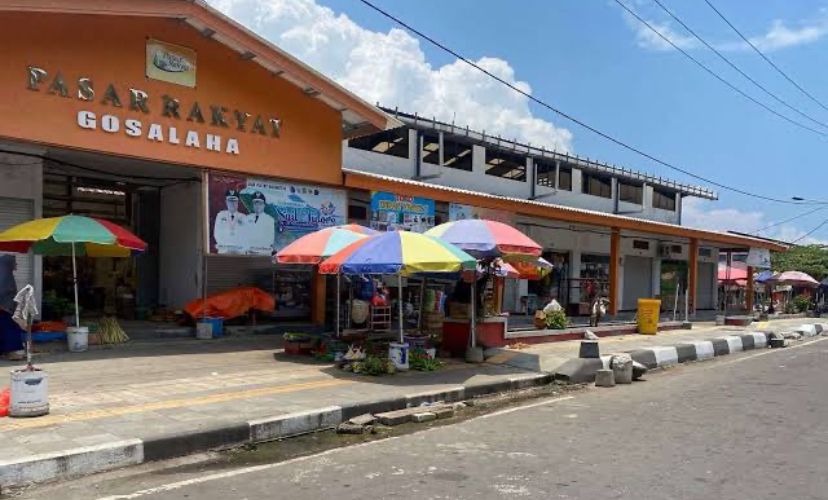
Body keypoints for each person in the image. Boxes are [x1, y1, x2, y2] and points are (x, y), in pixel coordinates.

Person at [0, 255, 25, 360]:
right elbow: (2, 291)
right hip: (5, 308)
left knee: (3, 329)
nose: (16, 264)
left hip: (6, 307)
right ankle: (12, 352)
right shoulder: (4, 276)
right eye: (14, 262)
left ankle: (3, 351)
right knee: (10, 329)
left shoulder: (6, 274)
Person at [214, 188, 247, 254]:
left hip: (239, 252)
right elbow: (217, 234)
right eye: (230, 201)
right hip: (224, 252)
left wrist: (236, 249)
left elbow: (245, 236)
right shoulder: (221, 215)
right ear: (226, 202)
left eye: (234, 201)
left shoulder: (244, 217)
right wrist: (228, 248)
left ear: (238, 202)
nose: (232, 203)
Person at [244, 191, 275, 255]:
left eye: (260, 203)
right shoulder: (247, 218)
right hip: (248, 253)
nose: (257, 206)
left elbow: (269, 239)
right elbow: (243, 235)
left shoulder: (269, 220)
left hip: (263, 254)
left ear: (264, 205)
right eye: (255, 203)